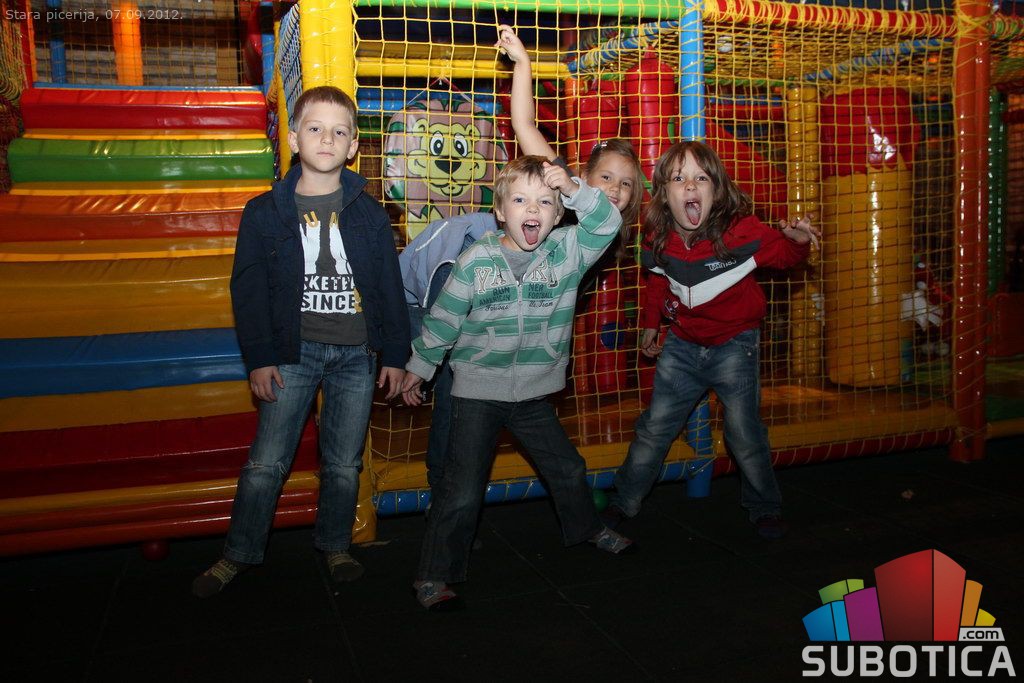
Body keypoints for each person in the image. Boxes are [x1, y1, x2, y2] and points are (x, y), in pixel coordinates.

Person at [192, 86, 410, 598]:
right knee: (266, 463)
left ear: (353, 146)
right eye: (315, 128)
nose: (326, 138)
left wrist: (396, 354)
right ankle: (238, 552)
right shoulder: (264, 212)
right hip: (293, 353)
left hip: (356, 355)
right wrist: (260, 357)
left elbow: (388, 286)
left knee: (343, 464)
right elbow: (247, 290)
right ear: (293, 138)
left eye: (339, 131)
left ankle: (335, 545)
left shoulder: (369, 214)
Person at [401, 155, 635, 611]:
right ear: (500, 211)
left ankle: (588, 528)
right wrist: (419, 367)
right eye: (521, 201)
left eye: (545, 202)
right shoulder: (475, 261)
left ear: (559, 213)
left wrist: (574, 188)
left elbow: (607, 222)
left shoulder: (568, 251)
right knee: (461, 489)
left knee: (568, 468)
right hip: (477, 393)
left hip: (533, 392)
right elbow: (444, 320)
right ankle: (433, 575)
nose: (533, 210)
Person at [604, 141, 820, 540]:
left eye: (701, 178)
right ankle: (623, 500)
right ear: (664, 194)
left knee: (743, 431)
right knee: (654, 427)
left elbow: (784, 257)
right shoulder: (657, 236)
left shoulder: (742, 231)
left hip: (734, 344)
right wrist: (651, 324)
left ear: (717, 191)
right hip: (682, 344)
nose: (690, 186)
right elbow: (657, 281)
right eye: (679, 179)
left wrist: (795, 239)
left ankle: (765, 506)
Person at [496, 24, 644, 256]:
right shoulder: (566, 188)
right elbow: (524, 125)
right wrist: (522, 62)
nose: (615, 188)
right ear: (583, 177)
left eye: (626, 184)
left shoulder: (612, 229)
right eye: (606, 177)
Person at [400, 213, 495, 495]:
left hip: (455, 304)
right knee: (452, 392)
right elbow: (439, 324)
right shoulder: (458, 259)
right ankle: (441, 485)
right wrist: (419, 367)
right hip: (416, 304)